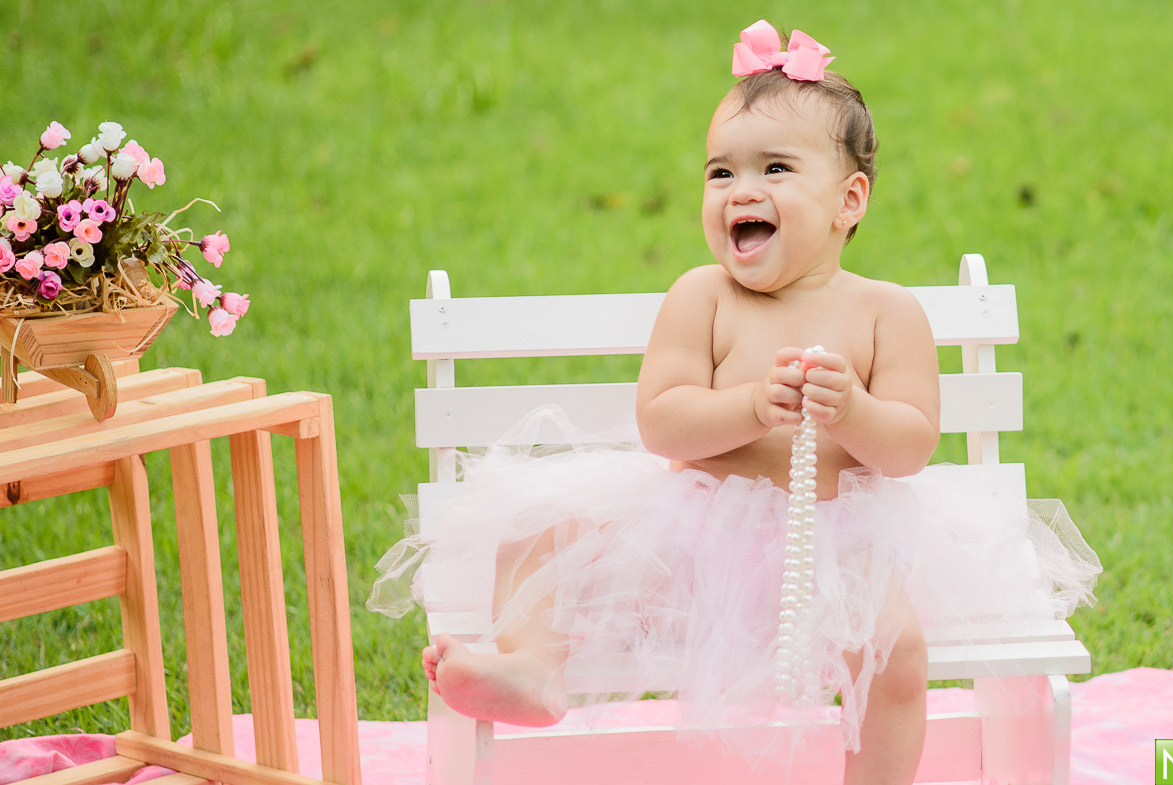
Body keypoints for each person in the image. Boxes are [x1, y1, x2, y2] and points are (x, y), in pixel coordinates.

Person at [369, 20, 1100, 784]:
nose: (741, 190)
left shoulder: (887, 313)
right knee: (539, 529)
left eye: (775, 168)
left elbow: (911, 444)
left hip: (840, 540)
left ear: (849, 200)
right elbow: (662, 421)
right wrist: (752, 404)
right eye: (721, 173)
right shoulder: (703, 296)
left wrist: (852, 410)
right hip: (697, 527)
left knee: (896, 652)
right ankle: (529, 666)